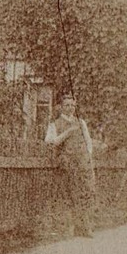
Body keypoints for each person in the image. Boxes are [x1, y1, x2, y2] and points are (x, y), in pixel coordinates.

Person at [45, 95, 96, 238]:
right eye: (67, 105)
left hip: (82, 162)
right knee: (67, 194)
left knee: (84, 193)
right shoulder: (54, 124)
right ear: (61, 107)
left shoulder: (81, 122)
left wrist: (88, 157)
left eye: (72, 105)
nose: (70, 108)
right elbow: (51, 142)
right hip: (66, 163)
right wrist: (67, 133)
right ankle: (68, 228)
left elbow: (88, 141)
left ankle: (84, 227)